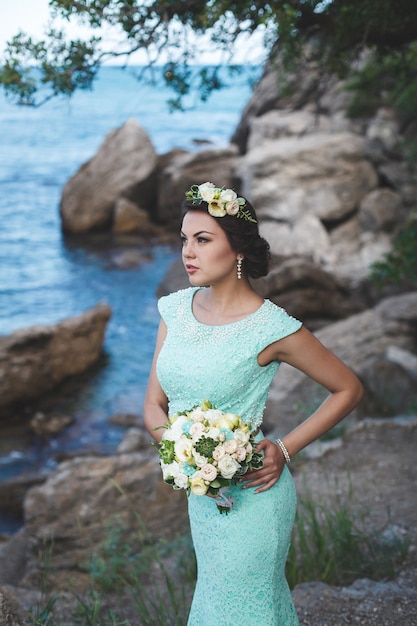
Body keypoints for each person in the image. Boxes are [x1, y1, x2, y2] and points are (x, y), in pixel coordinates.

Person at [143, 182, 364, 626]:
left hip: (255, 496)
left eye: (203, 240)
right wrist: (182, 450)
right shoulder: (174, 310)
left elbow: (348, 388)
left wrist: (284, 449)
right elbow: (153, 405)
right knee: (214, 603)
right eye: (185, 240)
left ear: (237, 249)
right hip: (204, 493)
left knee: (249, 609)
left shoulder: (271, 327)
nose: (189, 251)